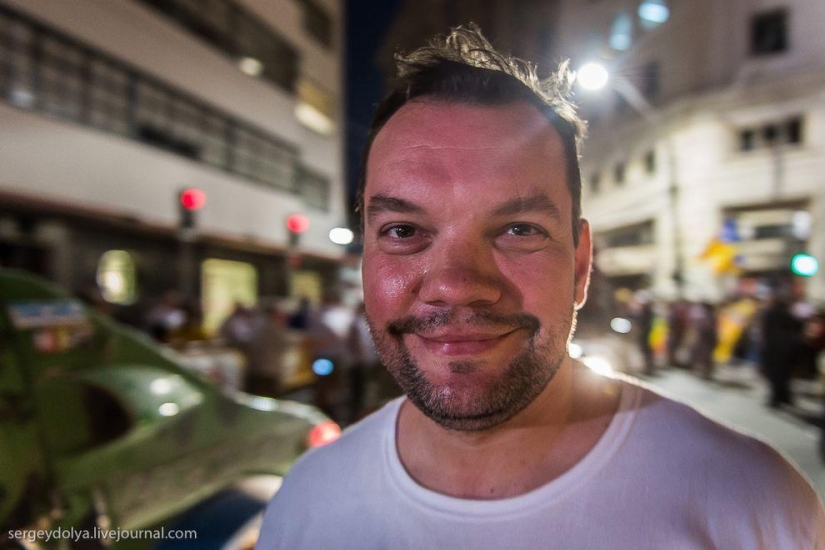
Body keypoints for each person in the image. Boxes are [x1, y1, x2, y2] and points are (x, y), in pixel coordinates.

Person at [257, 26, 824, 548]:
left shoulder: (755, 505)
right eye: (403, 231)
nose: (456, 286)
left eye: (517, 230)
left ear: (580, 265)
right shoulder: (307, 504)